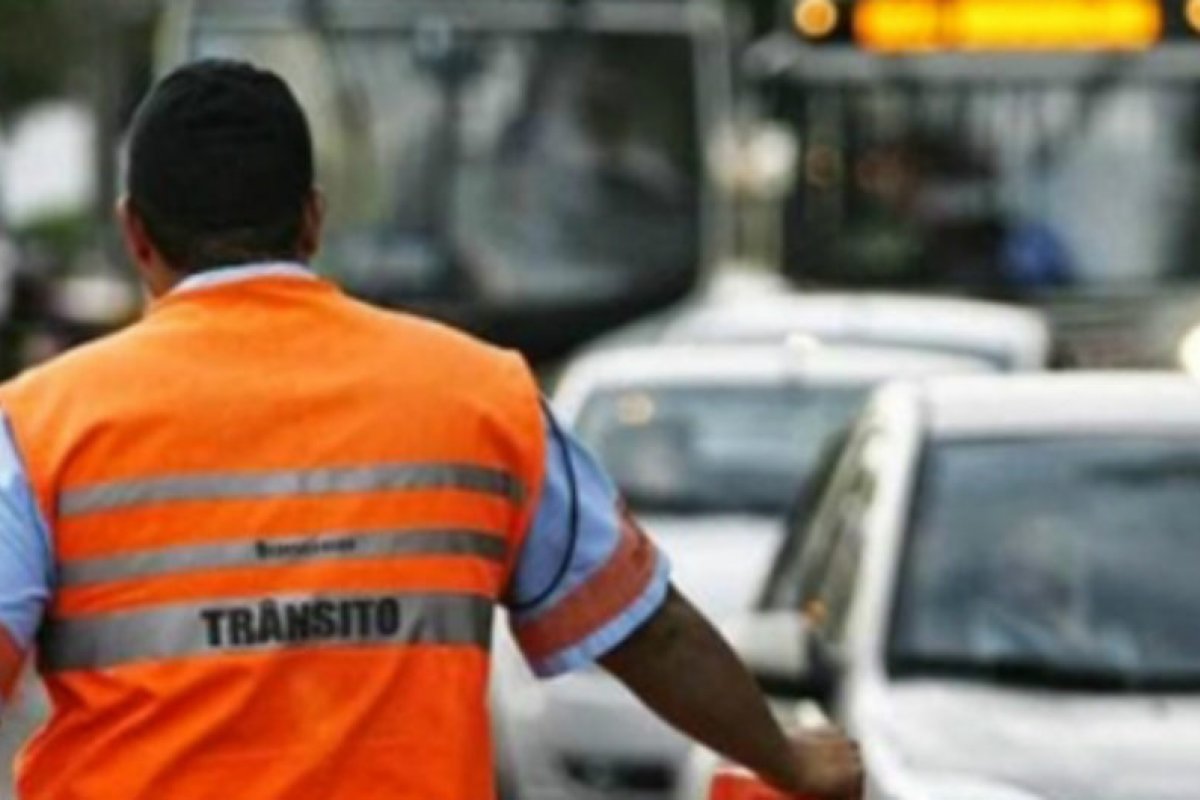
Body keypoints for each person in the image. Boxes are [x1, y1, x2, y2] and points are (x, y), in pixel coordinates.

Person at [0, 61, 862, 800]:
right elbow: (648, 626)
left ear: (135, 232)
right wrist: (788, 761)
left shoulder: (41, 428)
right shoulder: (481, 397)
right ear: (312, 218)